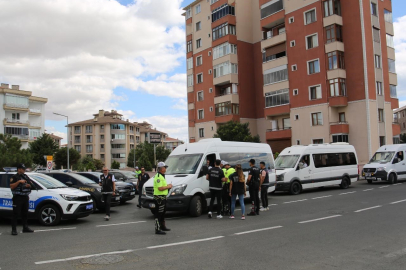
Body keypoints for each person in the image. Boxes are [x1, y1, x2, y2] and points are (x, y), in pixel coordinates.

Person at [9, 163, 36, 235]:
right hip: (18, 197)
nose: (24, 170)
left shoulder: (25, 176)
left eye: (24, 169)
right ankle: (14, 229)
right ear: (19, 169)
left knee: (25, 213)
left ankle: (25, 227)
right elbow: (11, 186)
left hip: (25, 197)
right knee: (16, 213)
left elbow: (30, 184)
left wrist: (28, 185)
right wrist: (19, 182)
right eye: (23, 169)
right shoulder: (14, 177)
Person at [153, 162, 172, 235]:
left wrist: (167, 185)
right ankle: (157, 229)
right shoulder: (158, 177)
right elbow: (160, 188)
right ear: (161, 169)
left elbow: (162, 186)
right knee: (158, 214)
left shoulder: (162, 176)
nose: (165, 168)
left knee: (163, 213)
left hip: (163, 197)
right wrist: (168, 186)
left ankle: (162, 226)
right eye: (164, 167)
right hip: (159, 198)